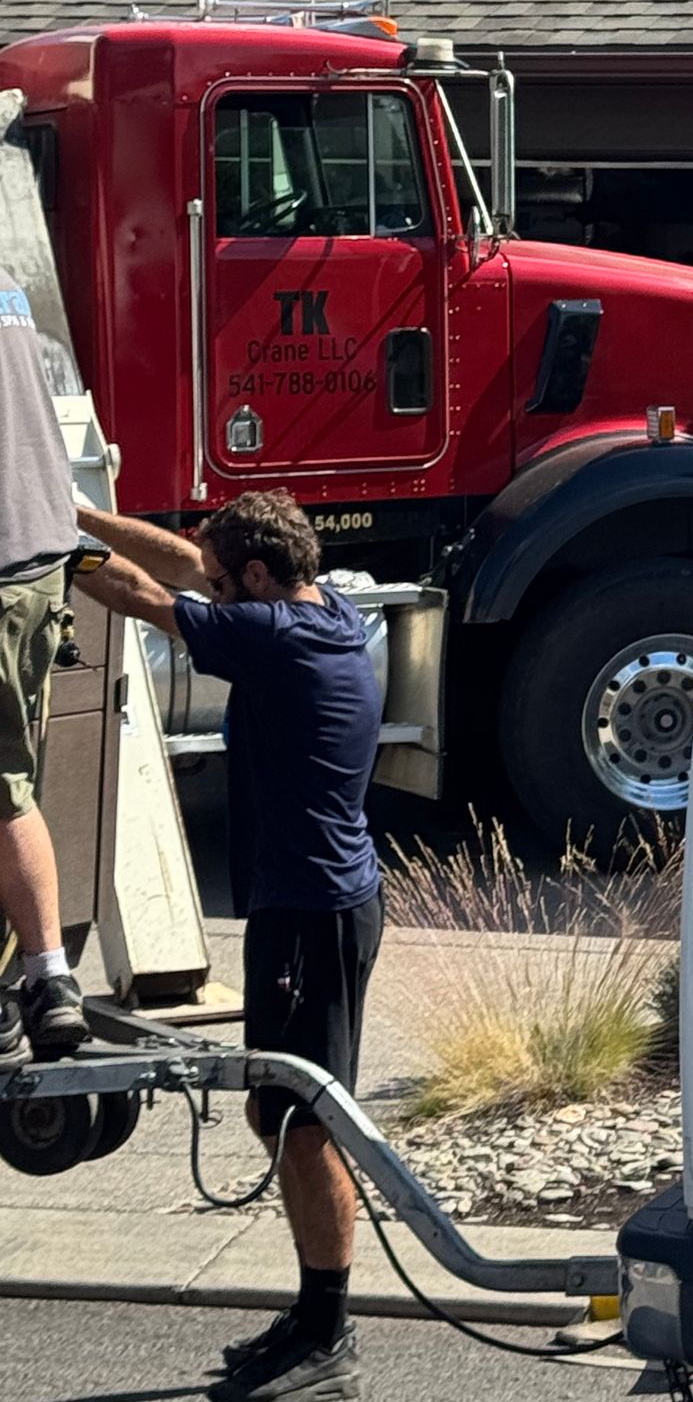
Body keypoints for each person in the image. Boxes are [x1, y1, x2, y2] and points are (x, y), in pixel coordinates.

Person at [75, 488, 381, 1402]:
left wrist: (47, 541)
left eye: (222, 576)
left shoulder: (276, 640)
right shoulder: (317, 608)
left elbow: (139, 592)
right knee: (277, 1110)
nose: (205, 578)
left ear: (254, 578)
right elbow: (174, 563)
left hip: (312, 914)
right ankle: (315, 1311)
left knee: (303, 1120)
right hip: (315, 906)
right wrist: (81, 513)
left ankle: (328, 1332)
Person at [0, 267, 89, 1064]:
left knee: (2, 787)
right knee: (9, 779)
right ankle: (32, 978)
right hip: (38, 565)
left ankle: (39, 978)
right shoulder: (6, 281)